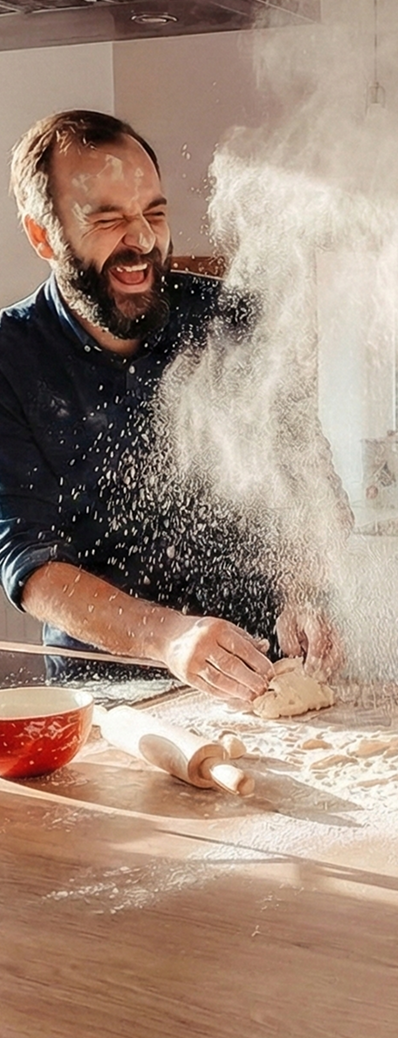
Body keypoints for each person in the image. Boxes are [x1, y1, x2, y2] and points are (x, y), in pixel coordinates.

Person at [0, 109, 346, 704]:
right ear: (41, 235)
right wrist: (169, 638)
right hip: (113, 699)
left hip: (266, 674)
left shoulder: (235, 319)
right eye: (107, 221)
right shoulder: (11, 360)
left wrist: (305, 585)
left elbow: (309, 485)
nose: (141, 244)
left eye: (153, 215)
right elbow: (32, 567)